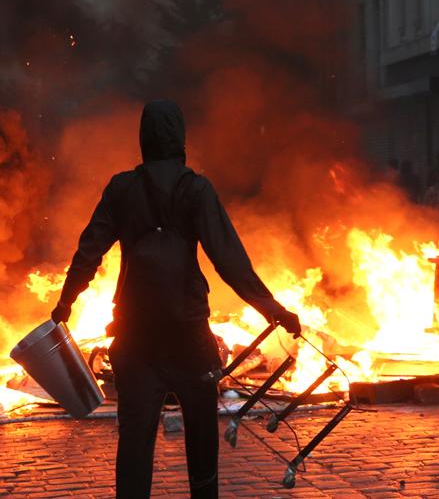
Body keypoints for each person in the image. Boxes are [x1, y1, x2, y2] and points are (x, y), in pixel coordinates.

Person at [49, 100, 302, 499]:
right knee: (202, 438)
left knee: (134, 441)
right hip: (189, 337)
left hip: (135, 338)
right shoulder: (196, 189)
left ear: (143, 138)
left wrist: (66, 303)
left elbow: (88, 253)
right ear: (180, 138)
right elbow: (230, 260)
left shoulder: (122, 189)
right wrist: (274, 309)